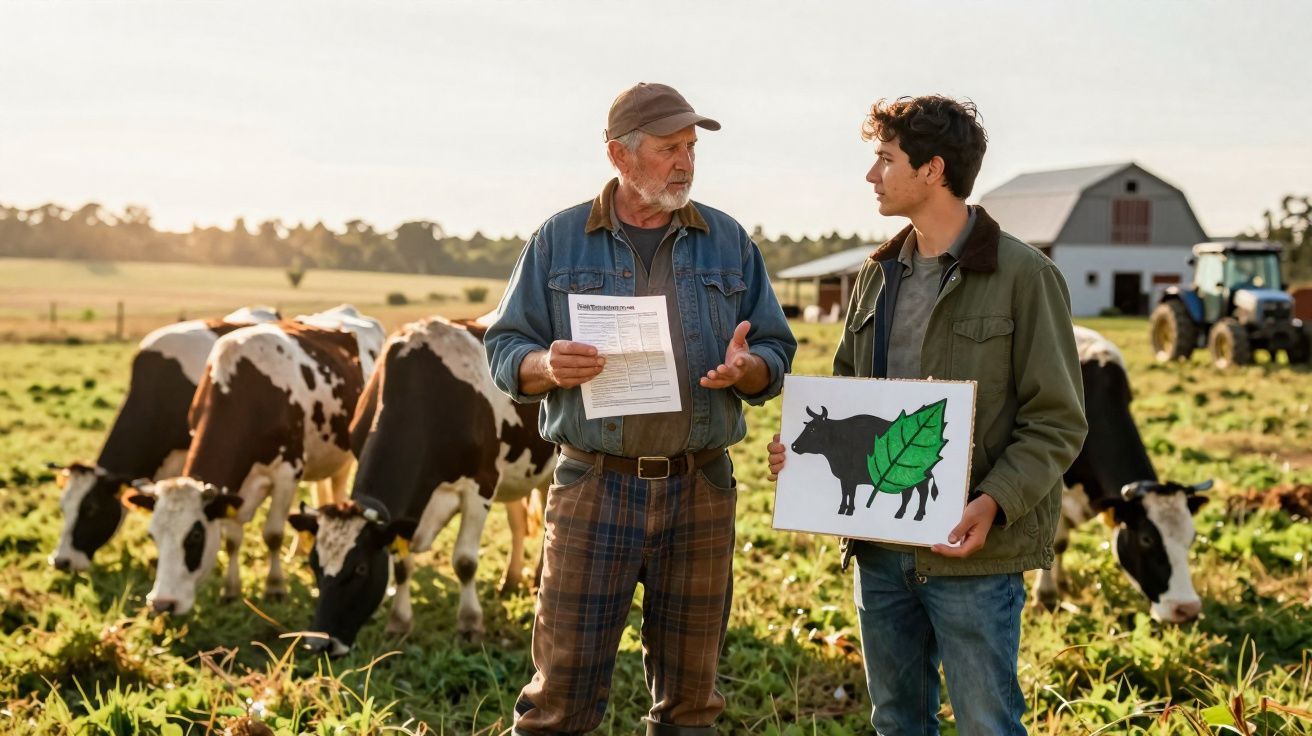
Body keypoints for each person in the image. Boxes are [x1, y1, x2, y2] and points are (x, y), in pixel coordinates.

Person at [767, 96, 1087, 735]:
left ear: (933, 169)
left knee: (987, 723)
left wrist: (993, 502)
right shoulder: (875, 276)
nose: (870, 175)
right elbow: (852, 392)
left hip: (972, 551)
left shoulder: (1026, 276)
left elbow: (1058, 420)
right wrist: (805, 460)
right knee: (897, 722)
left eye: (884, 159)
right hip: (880, 550)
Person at [487, 81, 796, 736]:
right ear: (619, 156)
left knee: (692, 704)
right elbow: (505, 347)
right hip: (594, 485)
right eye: (669, 149)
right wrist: (545, 365)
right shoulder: (559, 240)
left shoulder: (728, 241)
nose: (685, 162)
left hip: (701, 486)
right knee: (559, 700)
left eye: (690, 148)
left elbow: (776, 349)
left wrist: (751, 369)